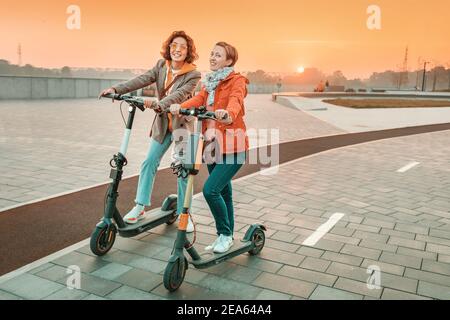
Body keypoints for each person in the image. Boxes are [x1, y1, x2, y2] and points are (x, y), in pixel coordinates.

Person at [99, 31, 201, 232]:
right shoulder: (161, 66)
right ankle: (140, 207)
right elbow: (141, 79)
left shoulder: (193, 74)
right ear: (169, 47)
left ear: (188, 51)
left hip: (182, 127)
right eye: (174, 45)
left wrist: (158, 104)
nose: (177, 49)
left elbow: (181, 95)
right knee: (149, 162)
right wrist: (117, 89)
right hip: (163, 125)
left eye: (182, 46)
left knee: (183, 171)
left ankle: (184, 214)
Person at [170, 42, 249, 253]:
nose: (212, 57)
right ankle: (227, 235)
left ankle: (224, 234)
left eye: (218, 55)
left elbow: (236, 100)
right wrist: (181, 106)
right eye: (212, 54)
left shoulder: (237, 80)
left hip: (234, 146)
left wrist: (228, 113)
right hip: (213, 146)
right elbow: (199, 99)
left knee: (210, 190)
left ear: (229, 60)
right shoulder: (209, 82)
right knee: (224, 193)